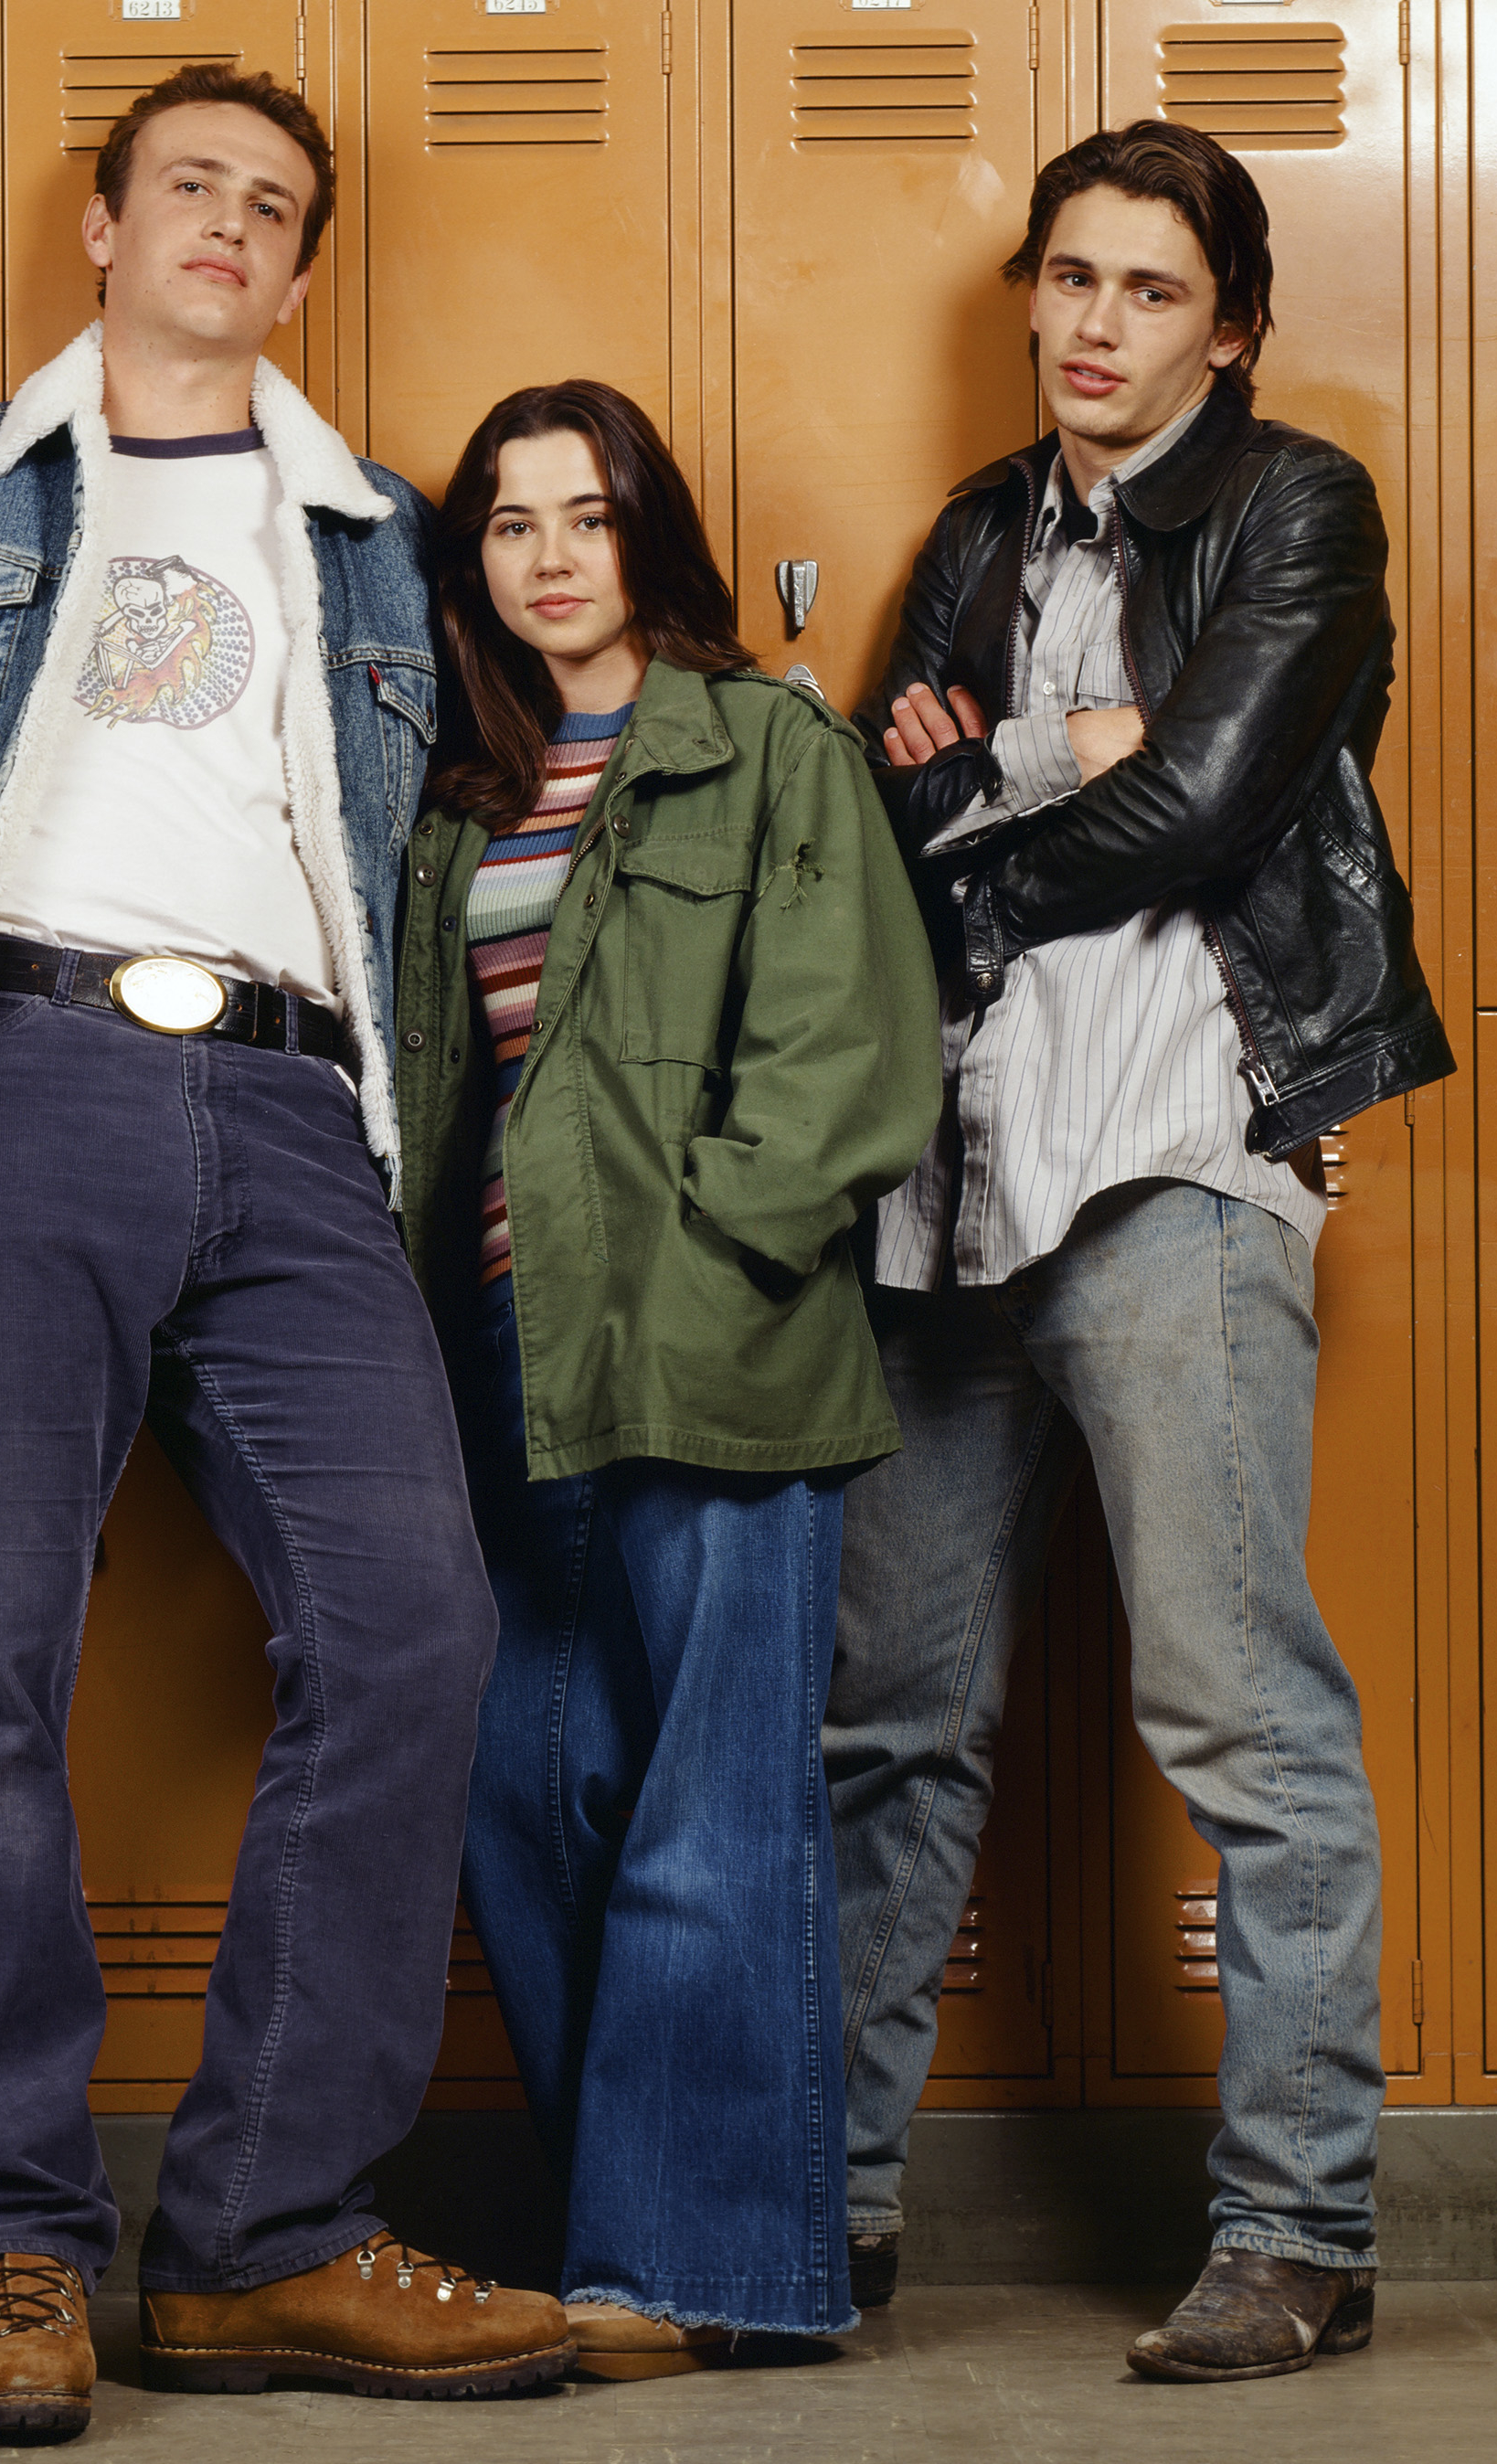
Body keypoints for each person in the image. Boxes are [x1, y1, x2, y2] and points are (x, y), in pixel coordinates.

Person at [0, 63, 569, 2445]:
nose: (228, 223)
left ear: (300, 268)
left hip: (302, 1113)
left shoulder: (377, 533)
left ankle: (268, 2243)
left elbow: (499, 785)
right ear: (101, 233)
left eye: (272, 204)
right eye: (188, 185)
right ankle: (12, 2249)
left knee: (417, 1627)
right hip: (11, 1073)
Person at [825, 121, 1454, 2381]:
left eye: (1149, 292)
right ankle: (837, 2198)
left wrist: (1006, 778)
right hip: (951, 1165)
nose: (1094, 325)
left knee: (1238, 1711)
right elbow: (872, 815)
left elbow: (1209, 798)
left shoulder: (1299, 505)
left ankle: (1301, 2228)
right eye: (1067, 280)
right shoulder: (986, 527)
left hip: (1176, 1149)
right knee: (885, 1723)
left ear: (1233, 327)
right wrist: (1033, 745)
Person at [394, 380, 942, 2374]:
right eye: (511, 523)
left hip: (712, 1341)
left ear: (654, 535)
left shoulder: (765, 745)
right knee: (521, 1793)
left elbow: (854, 1051)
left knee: (713, 1809)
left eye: (589, 514)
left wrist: (708, 1254)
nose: (551, 555)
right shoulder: (466, 793)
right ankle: (624, 2229)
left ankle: (711, 2269)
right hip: (498, 1354)